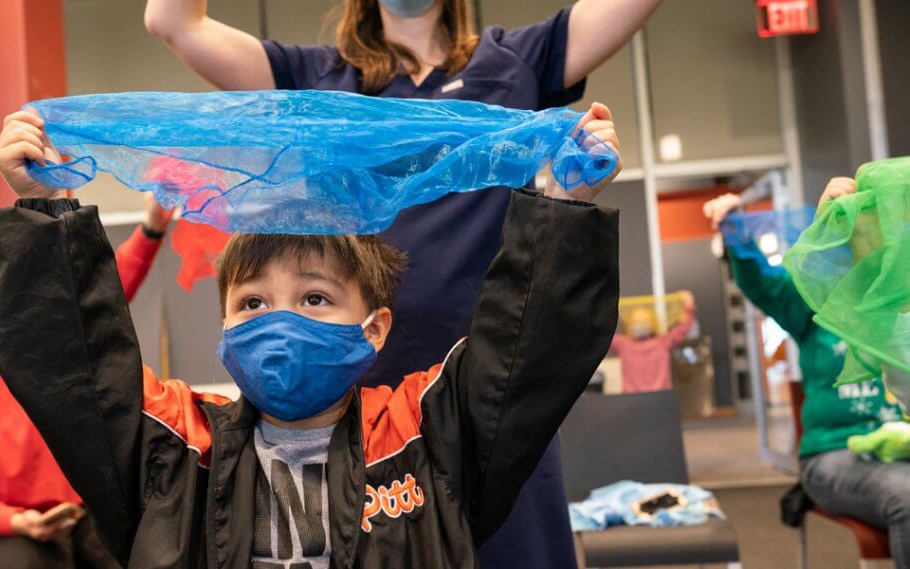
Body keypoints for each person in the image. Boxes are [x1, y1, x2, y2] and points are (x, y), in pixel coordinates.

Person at [0, 102, 620, 568]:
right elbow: (73, 367)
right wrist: (41, 208)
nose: (280, 321)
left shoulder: (430, 438)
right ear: (224, 325)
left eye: (315, 297)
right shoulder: (174, 449)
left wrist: (563, 208)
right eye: (253, 302)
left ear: (375, 327)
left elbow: (525, 353)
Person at [143, 0, 659, 564]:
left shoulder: (517, 60)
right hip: (363, 416)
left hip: (493, 395)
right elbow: (172, 23)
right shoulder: (316, 77)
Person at [0, 196, 173, 568]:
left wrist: (151, 230)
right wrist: (14, 521)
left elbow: (93, 302)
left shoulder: (23, 355)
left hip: (78, 512)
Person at [704, 181, 910, 565]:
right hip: (833, 456)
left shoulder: (903, 303)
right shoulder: (822, 301)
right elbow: (761, 282)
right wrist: (734, 226)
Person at [610, 291, 696, 393]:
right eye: (637, 322)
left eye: (643, 321)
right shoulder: (662, 341)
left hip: (638, 399)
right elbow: (684, 326)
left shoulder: (623, 344)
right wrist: (688, 305)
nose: (640, 325)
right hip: (656, 398)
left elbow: (601, 334)